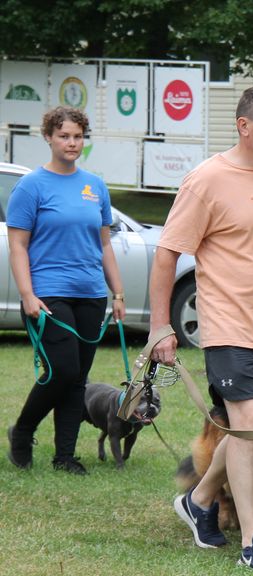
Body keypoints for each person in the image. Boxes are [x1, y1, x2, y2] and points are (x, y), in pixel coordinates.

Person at [148, 84, 253, 571]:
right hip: (226, 327)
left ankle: (199, 499)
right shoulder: (207, 180)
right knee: (245, 429)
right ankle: (252, 544)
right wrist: (160, 325)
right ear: (244, 126)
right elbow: (167, 254)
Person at [6, 106, 126, 475]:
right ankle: (22, 431)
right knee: (62, 369)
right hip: (47, 294)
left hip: (91, 293)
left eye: (77, 136)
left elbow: (104, 244)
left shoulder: (95, 186)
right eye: (63, 136)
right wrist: (27, 294)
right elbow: (18, 246)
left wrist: (118, 293)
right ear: (48, 137)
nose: (71, 143)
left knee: (77, 379)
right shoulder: (31, 186)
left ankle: (65, 457)